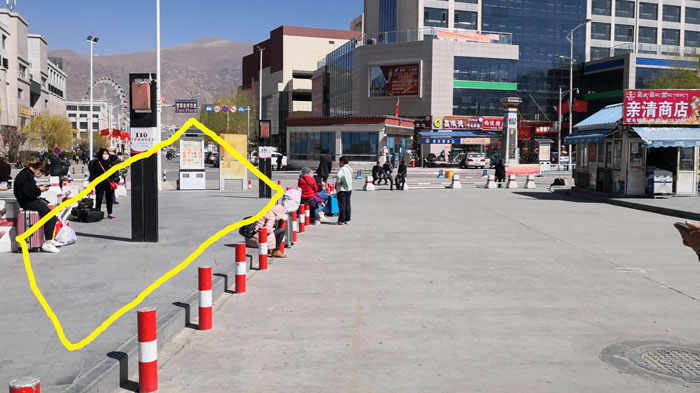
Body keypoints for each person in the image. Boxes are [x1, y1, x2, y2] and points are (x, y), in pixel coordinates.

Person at [13, 161, 61, 253]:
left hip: (26, 200)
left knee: (49, 215)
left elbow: (28, 190)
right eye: (42, 173)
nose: (41, 175)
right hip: (27, 201)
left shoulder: (26, 173)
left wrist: (37, 188)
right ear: (39, 170)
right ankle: (48, 242)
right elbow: (30, 193)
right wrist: (40, 189)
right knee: (51, 217)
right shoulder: (26, 176)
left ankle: (49, 239)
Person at [89, 148, 117, 219]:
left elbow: (115, 171)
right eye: (104, 154)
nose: (105, 155)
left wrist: (115, 178)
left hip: (109, 183)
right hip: (100, 183)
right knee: (99, 197)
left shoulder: (110, 162)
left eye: (107, 154)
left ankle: (110, 212)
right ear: (101, 154)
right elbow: (93, 172)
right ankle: (98, 212)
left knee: (109, 198)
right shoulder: (96, 163)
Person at [335, 156, 353, 225]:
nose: (339, 163)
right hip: (349, 188)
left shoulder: (342, 169)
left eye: (339, 162)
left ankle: (341, 220)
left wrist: (339, 182)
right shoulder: (350, 168)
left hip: (342, 189)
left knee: (342, 205)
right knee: (347, 204)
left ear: (342, 162)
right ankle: (347, 219)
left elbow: (338, 176)